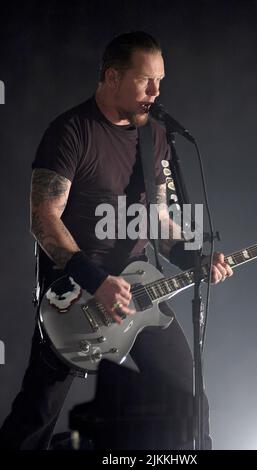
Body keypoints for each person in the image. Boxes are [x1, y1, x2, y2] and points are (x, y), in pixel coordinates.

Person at [0, 31, 233, 450]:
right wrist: (96, 280)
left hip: (140, 288)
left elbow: (159, 224)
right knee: (36, 415)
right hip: (73, 295)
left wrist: (196, 256)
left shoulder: (155, 137)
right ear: (112, 77)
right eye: (146, 81)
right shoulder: (71, 132)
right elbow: (42, 218)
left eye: (161, 80)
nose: (156, 92)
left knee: (189, 399)